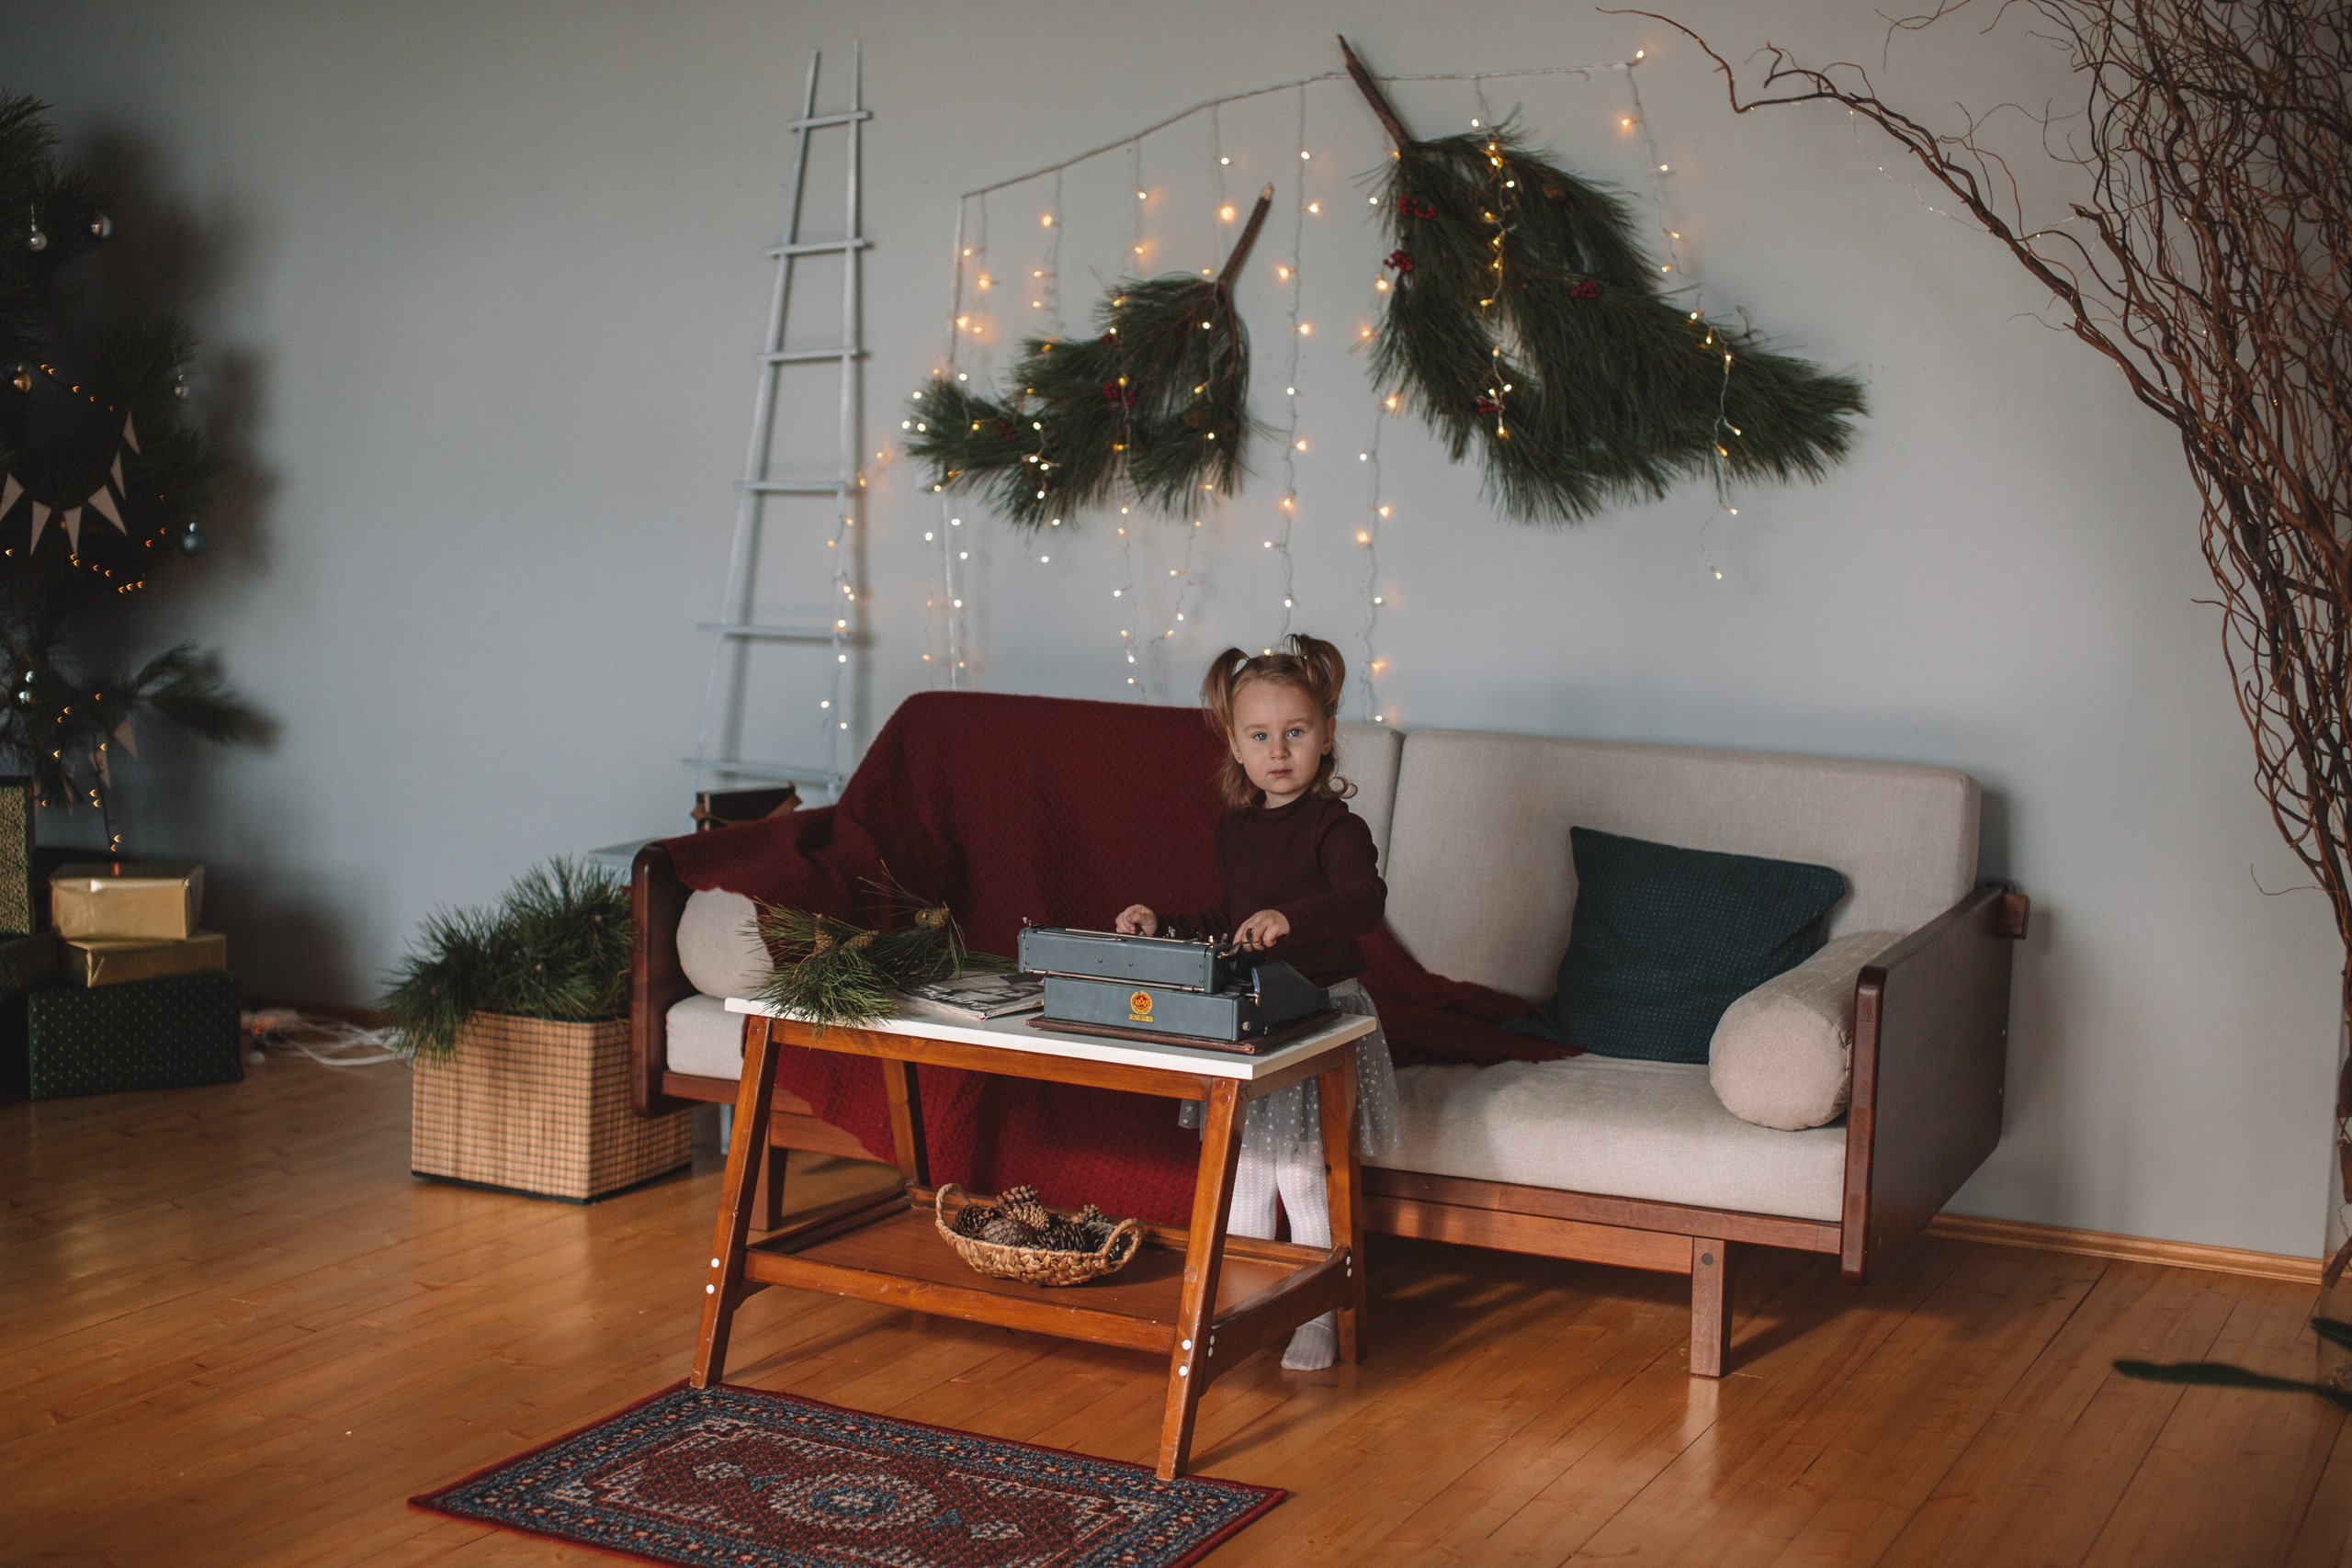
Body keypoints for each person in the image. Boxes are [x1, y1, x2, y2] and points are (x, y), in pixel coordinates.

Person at [1115, 634, 1401, 1371]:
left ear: (1327, 735)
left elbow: (1364, 900)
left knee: (1303, 1176)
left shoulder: (1337, 827)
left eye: (1296, 732)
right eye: (1261, 736)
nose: (1279, 751)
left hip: (1322, 1018)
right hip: (1260, 1019)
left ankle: (1318, 1314)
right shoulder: (1236, 828)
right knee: (1245, 1172)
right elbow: (1229, 919)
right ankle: (1246, 1309)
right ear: (1237, 746)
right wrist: (1166, 925)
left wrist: (1291, 919)